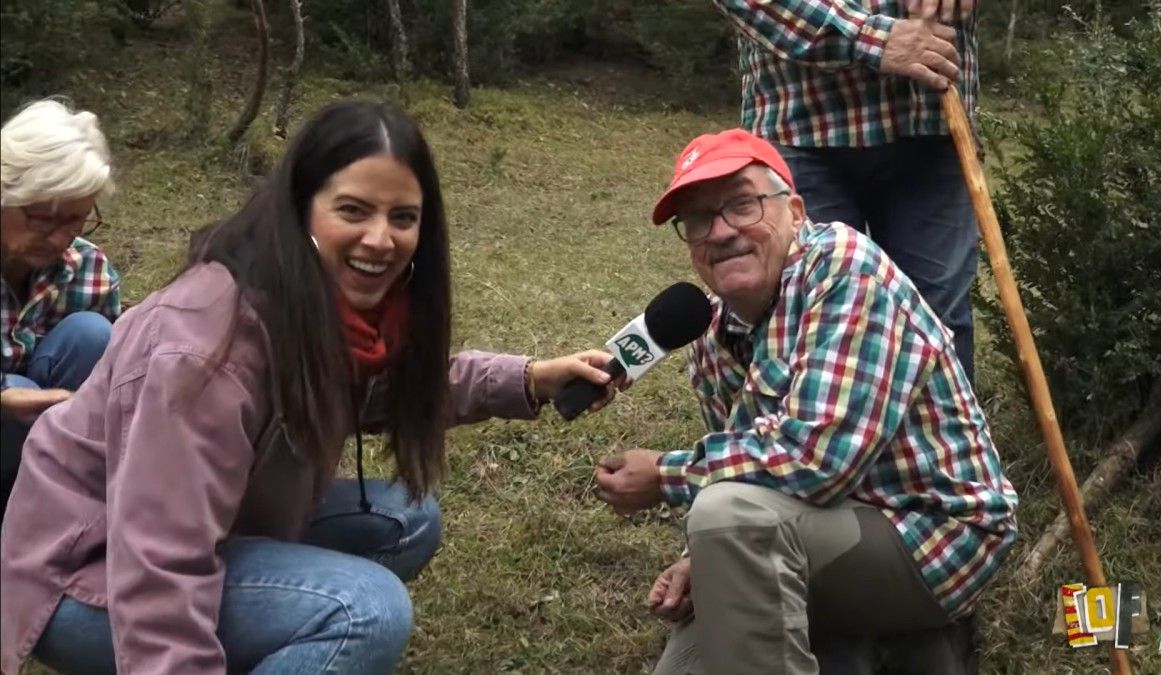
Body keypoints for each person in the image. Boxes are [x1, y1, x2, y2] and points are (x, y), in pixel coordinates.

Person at [0, 100, 622, 675]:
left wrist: (529, 380)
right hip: (84, 570)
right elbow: (158, 563)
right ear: (301, 208)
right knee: (363, 610)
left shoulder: (313, 297)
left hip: (210, 522)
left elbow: (382, 390)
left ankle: (269, 635)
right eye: (353, 210)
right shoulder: (199, 349)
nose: (381, 239)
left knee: (408, 517)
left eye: (402, 217)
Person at [594, 129, 1017, 674]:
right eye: (698, 220)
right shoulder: (710, 332)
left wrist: (666, 476)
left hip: (931, 535)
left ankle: (907, 633)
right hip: (819, 528)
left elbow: (816, 462)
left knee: (726, 518)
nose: (721, 232)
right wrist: (697, 559)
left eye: (742, 205)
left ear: (794, 210)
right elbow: (742, 473)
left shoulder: (845, 269)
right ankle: (869, 645)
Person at [711, 0, 982, 381]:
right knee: (810, 315)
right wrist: (870, 38)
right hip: (802, 125)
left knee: (936, 320)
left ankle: (937, 442)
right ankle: (805, 440)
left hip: (932, 119)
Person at [1, 99, 120, 521]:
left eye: (74, 221)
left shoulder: (87, 268)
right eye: (41, 219)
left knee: (95, 334)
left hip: (52, 439)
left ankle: (62, 505)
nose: (58, 239)